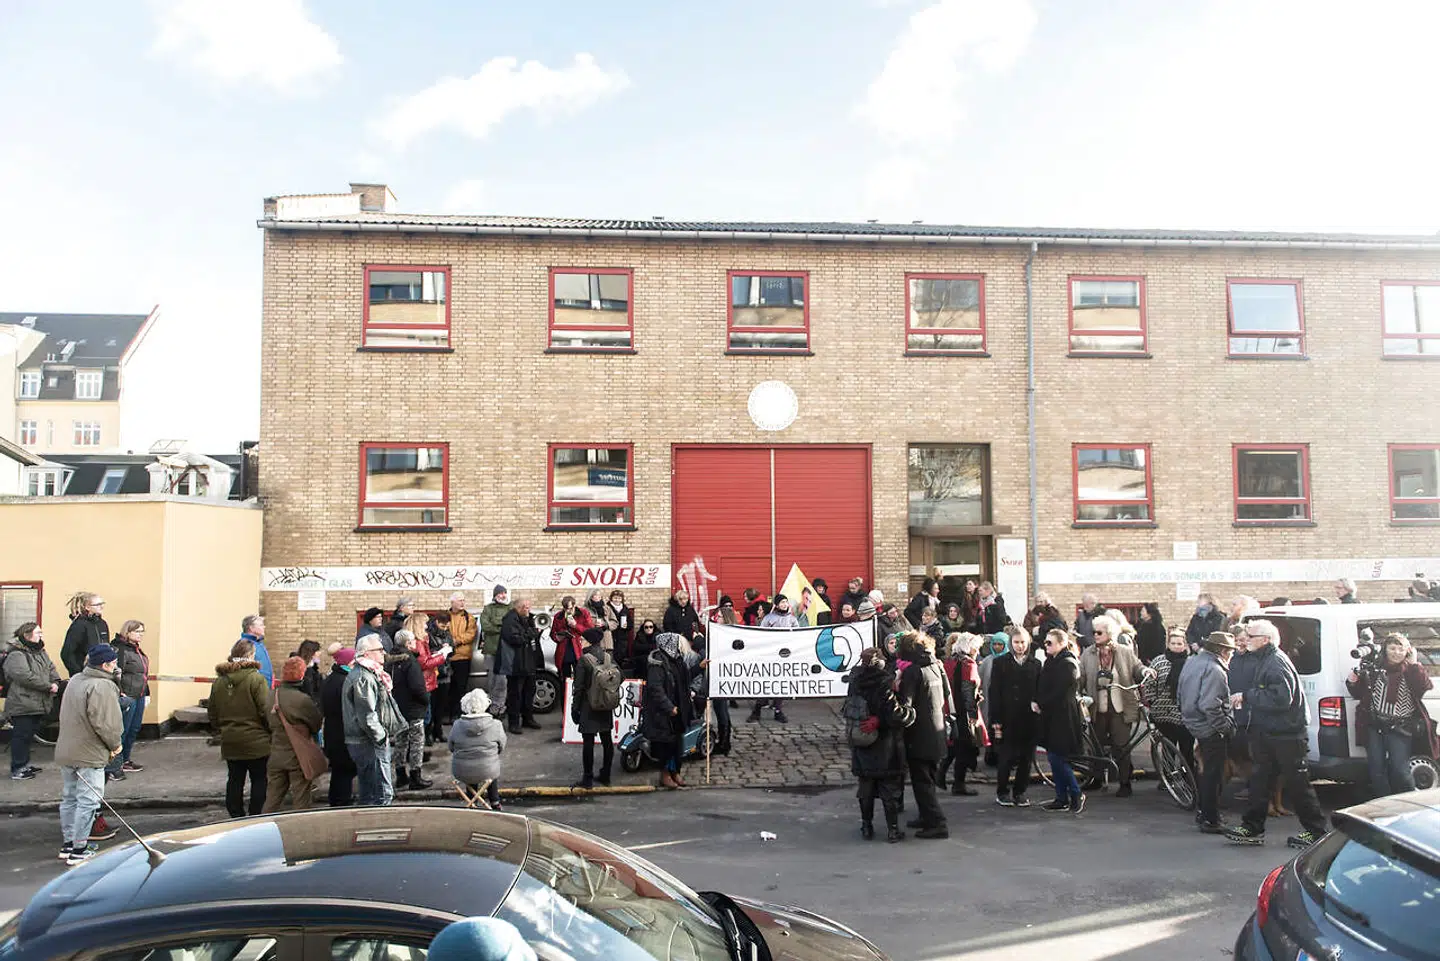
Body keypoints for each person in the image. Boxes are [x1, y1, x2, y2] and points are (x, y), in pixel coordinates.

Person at [1225, 620, 1329, 848]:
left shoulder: (1275, 663)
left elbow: (1282, 699)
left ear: (1266, 640)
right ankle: (1252, 827)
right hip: (1268, 731)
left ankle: (1316, 831)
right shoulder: (1265, 659)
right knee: (1260, 781)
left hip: (1286, 734)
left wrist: (1248, 696)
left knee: (1298, 783)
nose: (1246, 638)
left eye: (1251, 636)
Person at [55, 644, 123, 865]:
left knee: (69, 798)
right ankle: (79, 848)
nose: (116, 666)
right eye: (114, 663)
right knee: (88, 801)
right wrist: (115, 745)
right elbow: (107, 723)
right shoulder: (102, 686)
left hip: (67, 748)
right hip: (89, 752)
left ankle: (68, 844)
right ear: (105, 665)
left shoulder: (75, 680)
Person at [1348, 632, 1435, 797]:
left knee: (1400, 771)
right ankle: (1384, 804)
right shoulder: (1375, 668)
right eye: (1392, 648)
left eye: (1400, 649)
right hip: (1375, 726)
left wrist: (1415, 662)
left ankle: (1410, 804)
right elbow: (1359, 693)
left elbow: (1423, 686)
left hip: (1400, 727)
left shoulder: (1411, 670)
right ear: (1385, 649)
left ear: (1407, 651)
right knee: (1376, 769)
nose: (1396, 652)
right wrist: (1352, 681)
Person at [847, 646, 916, 842]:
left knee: (866, 788)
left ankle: (866, 826)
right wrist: (910, 712)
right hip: (884, 743)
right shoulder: (884, 683)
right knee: (889, 789)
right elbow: (894, 715)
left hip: (861, 740)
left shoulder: (855, 680)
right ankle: (892, 830)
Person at [1079, 615, 1148, 797]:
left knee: (1121, 746)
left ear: (1110, 633)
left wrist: (1145, 671)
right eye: (1093, 632)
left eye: (1099, 632)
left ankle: (1125, 782)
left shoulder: (1124, 652)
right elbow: (1081, 677)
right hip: (1097, 708)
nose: (1095, 635)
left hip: (1119, 708)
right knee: (1096, 745)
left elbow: (1137, 667)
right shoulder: (1088, 654)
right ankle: (1096, 778)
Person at [1178, 631, 1238, 833]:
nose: (1231, 655)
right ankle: (1210, 819)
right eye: (1230, 651)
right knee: (1213, 774)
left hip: (1193, 722)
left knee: (1207, 772)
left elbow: (1180, 694)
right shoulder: (1215, 670)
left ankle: (1205, 813)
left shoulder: (1192, 662)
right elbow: (1210, 705)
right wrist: (1225, 727)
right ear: (1222, 651)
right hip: (1209, 727)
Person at [208, 638, 272, 818]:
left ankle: (236, 815)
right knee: (259, 779)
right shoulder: (256, 679)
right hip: (256, 739)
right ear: (251, 655)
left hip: (230, 738)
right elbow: (265, 709)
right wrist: (271, 731)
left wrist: (221, 729)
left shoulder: (220, 681)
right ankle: (255, 814)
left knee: (235, 779)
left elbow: (212, 711)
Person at [897, 631, 951, 839]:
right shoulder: (935, 665)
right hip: (936, 730)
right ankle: (926, 816)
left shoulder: (913, 671)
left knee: (922, 781)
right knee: (928, 777)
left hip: (919, 734)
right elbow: (946, 696)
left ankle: (937, 823)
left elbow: (906, 705)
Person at [344, 635, 407, 806]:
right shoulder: (363, 677)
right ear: (366, 654)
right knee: (380, 794)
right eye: (379, 650)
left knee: (371, 793)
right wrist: (381, 737)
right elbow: (367, 715)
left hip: (367, 740)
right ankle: (378, 827)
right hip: (368, 742)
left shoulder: (369, 673)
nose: (383, 653)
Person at [263, 656, 324, 812]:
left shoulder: (271, 696)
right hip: (298, 755)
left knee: (272, 798)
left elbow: (266, 722)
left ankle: (264, 827)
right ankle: (299, 831)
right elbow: (316, 724)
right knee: (301, 799)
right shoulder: (302, 700)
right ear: (302, 675)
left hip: (276, 753)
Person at [990, 626, 1042, 807]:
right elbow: (994, 692)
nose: (1020, 646)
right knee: (1006, 757)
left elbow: (1039, 690)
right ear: (1011, 644)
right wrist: (995, 719)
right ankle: (1002, 791)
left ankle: (1019, 792)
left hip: (1029, 717)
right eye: (1016, 642)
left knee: (1026, 758)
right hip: (1007, 716)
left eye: (1023, 643)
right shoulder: (1000, 663)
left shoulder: (1035, 664)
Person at [1036, 630, 1087, 813]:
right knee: (1054, 757)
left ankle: (1075, 792)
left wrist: (1041, 703)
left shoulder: (1068, 664)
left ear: (1061, 644)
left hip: (1063, 717)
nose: (1046, 645)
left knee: (1058, 758)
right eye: (1046, 642)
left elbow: (1059, 692)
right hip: (1051, 716)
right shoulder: (1051, 662)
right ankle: (1061, 797)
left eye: (1050, 643)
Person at [5, 622, 59, 781]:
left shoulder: (40, 651)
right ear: (27, 635)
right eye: (38, 633)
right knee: (21, 736)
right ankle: (18, 768)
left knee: (28, 735)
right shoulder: (16, 654)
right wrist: (48, 686)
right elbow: (23, 676)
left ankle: (25, 764)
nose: (41, 635)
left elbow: (51, 668)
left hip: (38, 702)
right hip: (23, 702)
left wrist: (55, 681)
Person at [643, 632, 694, 790]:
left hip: (679, 709)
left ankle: (675, 771)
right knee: (666, 744)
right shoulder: (657, 662)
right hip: (664, 713)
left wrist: (699, 668)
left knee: (677, 743)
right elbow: (655, 689)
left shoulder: (677, 660)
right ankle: (665, 774)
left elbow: (685, 679)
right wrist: (668, 707)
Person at [1143, 627, 1196, 775]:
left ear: (1185, 645)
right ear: (1168, 644)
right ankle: (1168, 777)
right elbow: (1150, 684)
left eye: (1180, 643)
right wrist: (1153, 702)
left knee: (1187, 749)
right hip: (1163, 713)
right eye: (1173, 643)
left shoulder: (1192, 662)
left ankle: (1188, 778)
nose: (1177, 647)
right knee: (1168, 748)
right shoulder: (1159, 661)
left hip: (1185, 714)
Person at [571, 627, 617, 789]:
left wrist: (574, 708)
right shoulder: (607, 657)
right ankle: (606, 775)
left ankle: (588, 778)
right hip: (605, 703)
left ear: (589, 641)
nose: (580, 641)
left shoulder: (584, 660)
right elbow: (620, 676)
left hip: (588, 706)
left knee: (588, 742)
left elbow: (578, 687)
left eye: (582, 639)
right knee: (607, 740)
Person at [388, 629, 433, 790]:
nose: (415, 643)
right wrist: (426, 701)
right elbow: (417, 687)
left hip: (397, 707)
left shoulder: (390, 660)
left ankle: (400, 775)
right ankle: (416, 776)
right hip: (413, 708)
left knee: (400, 741)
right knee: (416, 742)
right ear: (407, 643)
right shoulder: (410, 661)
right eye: (413, 640)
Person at [106, 620, 150, 780]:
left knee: (134, 729)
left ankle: (125, 759)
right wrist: (119, 692)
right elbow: (116, 672)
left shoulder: (137, 650)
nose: (141, 634)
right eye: (137, 631)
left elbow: (142, 674)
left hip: (139, 695)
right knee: (121, 731)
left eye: (142, 631)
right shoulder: (121, 649)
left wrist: (147, 692)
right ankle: (113, 766)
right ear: (128, 632)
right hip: (128, 695)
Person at [939, 633, 982, 795]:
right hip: (963, 712)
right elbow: (967, 692)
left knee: (954, 745)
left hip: (950, 708)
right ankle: (958, 784)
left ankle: (941, 774)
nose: (977, 651)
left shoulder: (949, 662)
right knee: (964, 747)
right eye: (975, 648)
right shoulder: (968, 665)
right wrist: (973, 715)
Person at [450, 688, 506, 810]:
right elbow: (501, 747)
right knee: (490, 765)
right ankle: (495, 801)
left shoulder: (457, 725)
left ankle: (472, 801)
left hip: (461, 771)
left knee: (471, 766)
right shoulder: (496, 725)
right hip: (488, 770)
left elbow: (451, 747)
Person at [500, 598, 543, 734]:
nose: (528, 610)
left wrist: (536, 629)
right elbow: (515, 638)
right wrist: (531, 633)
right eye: (526, 607)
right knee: (515, 694)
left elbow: (531, 636)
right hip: (516, 664)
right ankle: (514, 722)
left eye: (529, 607)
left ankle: (527, 718)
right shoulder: (509, 620)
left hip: (528, 661)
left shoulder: (527, 619)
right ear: (519, 608)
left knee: (529, 691)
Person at [321, 647, 357, 806]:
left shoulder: (330, 678)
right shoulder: (344, 681)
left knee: (338, 769)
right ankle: (342, 802)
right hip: (342, 732)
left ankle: (335, 800)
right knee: (345, 770)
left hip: (332, 731)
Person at [60, 591, 110, 677]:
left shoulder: (102, 624)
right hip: (85, 674)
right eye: (97, 604)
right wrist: (78, 672)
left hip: (102, 673)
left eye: (102, 603)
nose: (101, 607)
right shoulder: (79, 625)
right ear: (87, 607)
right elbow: (67, 653)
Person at [446, 592, 477, 725]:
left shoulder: (468, 617)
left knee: (460, 687)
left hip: (462, 657)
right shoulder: (445, 616)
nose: (462, 603)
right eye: (459, 600)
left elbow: (470, 635)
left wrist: (455, 641)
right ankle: (446, 714)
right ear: (452, 602)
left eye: (463, 600)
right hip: (447, 657)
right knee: (447, 687)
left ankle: (457, 713)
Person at [479, 586, 511, 716]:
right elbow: (486, 626)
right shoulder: (488, 609)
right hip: (490, 650)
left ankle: (500, 707)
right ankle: (493, 706)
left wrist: (496, 624)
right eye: (500, 593)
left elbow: (511, 626)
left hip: (506, 650)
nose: (503, 595)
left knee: (502, 681)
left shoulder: (510, 609)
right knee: (492, 680)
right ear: (495, 595)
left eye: (505, 593)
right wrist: (502, 626)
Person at [551, 595, 593, 681]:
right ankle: (566, 693)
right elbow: (552, 633)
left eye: (570, 609)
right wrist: (557, 637)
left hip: (579, 648)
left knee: (580, 677)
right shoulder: (558, 616)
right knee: (564, 678)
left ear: (574, 605)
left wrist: (575, 625)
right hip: (564, 649)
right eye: (565, 609)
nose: (568, 611)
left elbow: (590, 631)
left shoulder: (583, 613)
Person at [426, 613, 454, 742]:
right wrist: (439, 649)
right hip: (434, 671)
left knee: (441, 704)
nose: (445, 628)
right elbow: (427, 652)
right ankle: (428, 732)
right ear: (437, 622)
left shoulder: (447, 634)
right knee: (432, 703)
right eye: (443, 625)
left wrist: (449, 649)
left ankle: (439, 729)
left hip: (445, 670)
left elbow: (452, 647)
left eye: (447, 626)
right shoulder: (428, 634)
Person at [238, 614, 274, 689]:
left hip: (264, 689)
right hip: (254, 691)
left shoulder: (259, 644)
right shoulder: (244, 645)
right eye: (261, 625)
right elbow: (242, 672)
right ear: (251, 628)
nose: (264, 627)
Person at [607, 589, 635, 655]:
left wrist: (627, 625)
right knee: (610, 656)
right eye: (615, 598)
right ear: (611, 598)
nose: (617, 600)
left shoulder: (625, 609)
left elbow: (631, 624)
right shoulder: (607, 608)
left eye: (619, 598)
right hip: (611, 636)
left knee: (621, 656)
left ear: (621, 599)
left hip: (622, 638)